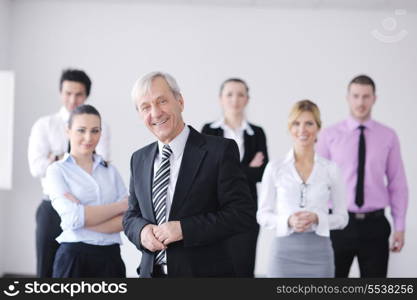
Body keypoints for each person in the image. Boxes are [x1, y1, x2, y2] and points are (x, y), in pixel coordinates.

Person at [123, 71, 256, 278]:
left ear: (180, 102)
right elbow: (131, 216)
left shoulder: (219, 151)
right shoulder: (138, 159)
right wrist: (141, 232)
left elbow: (241, 214)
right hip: (151, 275)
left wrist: (184, 229)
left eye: (162, 101)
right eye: (146, 107)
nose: (156, 113)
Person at [316, 75, 409, 277]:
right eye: (356, 96)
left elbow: (397, 183)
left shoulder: (388, 136)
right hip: (339, 223)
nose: (361, 102)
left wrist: (399, 226)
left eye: (366, 96)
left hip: (374, 225)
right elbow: (317, 182)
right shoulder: (329, 135)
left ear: (374, 98)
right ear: (348, 98)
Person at [28, 69, 111, 277]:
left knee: (82, 273)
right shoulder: (44, 125)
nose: (73, 99)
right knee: (45, 272)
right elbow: (36, 167)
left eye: (79, 94)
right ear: (60, 92)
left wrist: (55, 157)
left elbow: (102, 164)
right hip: (51, 209)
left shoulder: (101, 126)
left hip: (87, 209)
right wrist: (77, 159)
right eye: (67, 93)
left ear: (86, 95)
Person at [257, 100, 348, 277]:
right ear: (290, 128)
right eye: (296, 123)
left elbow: (342, 218)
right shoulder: (275, 167)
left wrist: (318, 219)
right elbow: (262, 214)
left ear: (318, 128)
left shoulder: (330, 169)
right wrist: (288, 221)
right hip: (283, 255)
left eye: (309, 123)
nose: (302, 130)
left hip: (320, 255)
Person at [45, 104, 127, 277]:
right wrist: (120, 206)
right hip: (73, 259)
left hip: (110, 259)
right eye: (81, 130)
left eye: (95, 131)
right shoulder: (57, 170)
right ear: (68, 131)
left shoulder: (110, 171)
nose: (88, 137)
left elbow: (127, 220)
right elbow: (72, 218)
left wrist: (84, 216)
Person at [201, 78, 268, 277]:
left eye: (240, 94)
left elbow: (263, 172)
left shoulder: (256, 133)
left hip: (248, 209)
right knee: (215, 270)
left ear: (247, 99)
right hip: (215, 209)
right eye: (229, 94)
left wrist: (226, 169)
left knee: (244, 268)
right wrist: (247, 168)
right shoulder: (209, 130)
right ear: (221, 99)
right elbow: (206, 172)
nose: (235, 99)